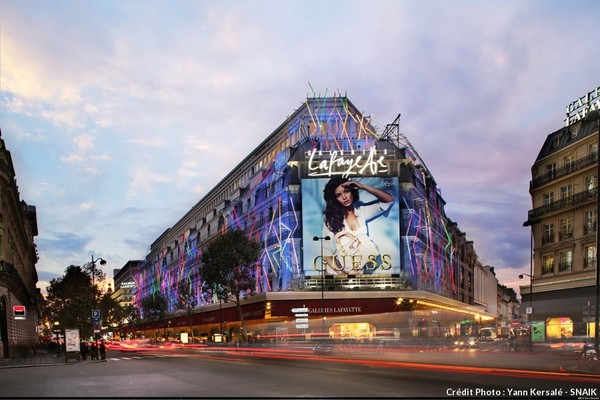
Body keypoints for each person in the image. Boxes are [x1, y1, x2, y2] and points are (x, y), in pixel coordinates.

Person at [320, 177, 394, 274]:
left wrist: (363, 187)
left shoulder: (362, 211)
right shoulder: (331, 219)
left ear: (352, 191)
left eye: (346, 191)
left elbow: (389, 201)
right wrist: (344, 276)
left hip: (357, 273)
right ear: (335, 199)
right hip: (336, 273)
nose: (344, 197)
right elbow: (326, 253)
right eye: (338, 195)